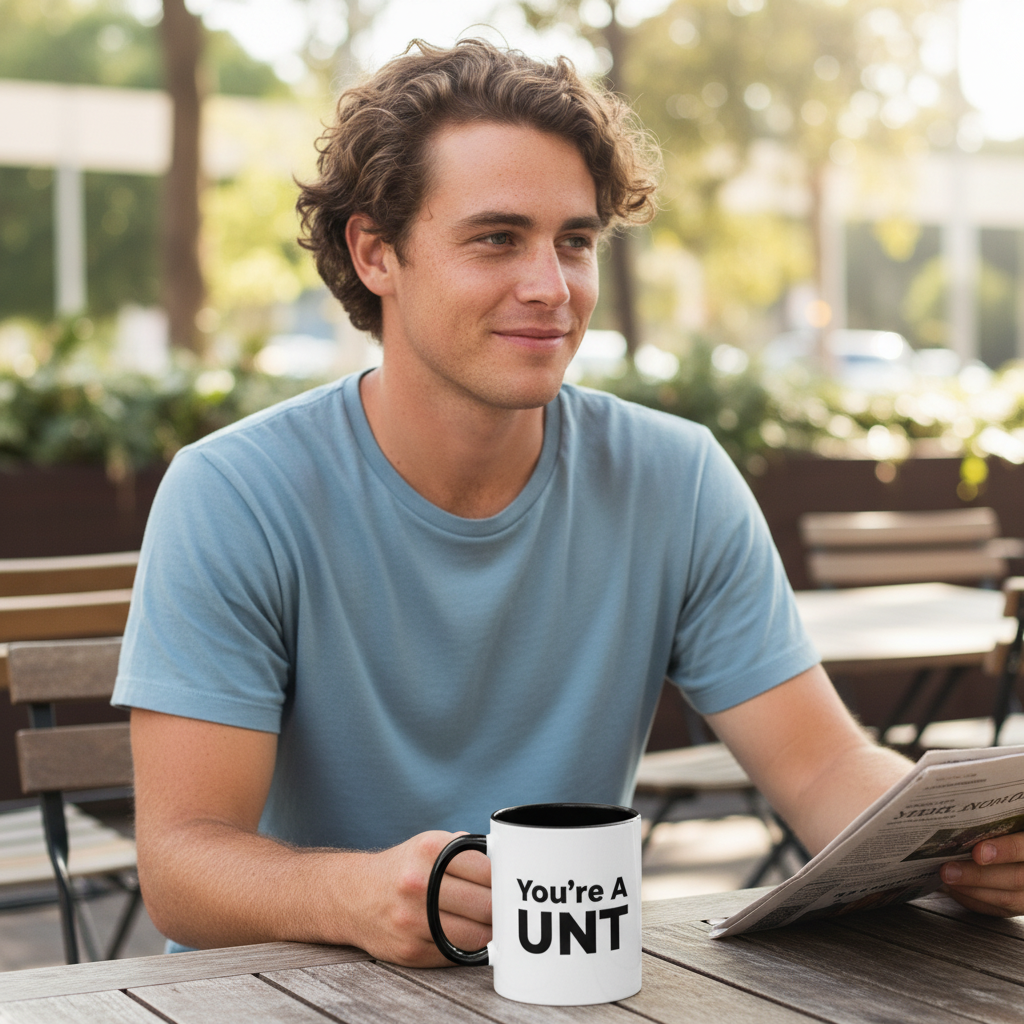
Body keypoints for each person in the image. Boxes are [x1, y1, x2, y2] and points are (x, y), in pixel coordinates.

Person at [113, 39, 1024, 967]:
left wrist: (961, 847)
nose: (552, 288)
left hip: (570, 983)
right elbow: (184, 865)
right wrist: (354, 894)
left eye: (575, 242)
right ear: (376, 252)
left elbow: (824, 767)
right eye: (497, 238)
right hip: (290, 992)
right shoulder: (236, 494)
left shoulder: (676, 478)